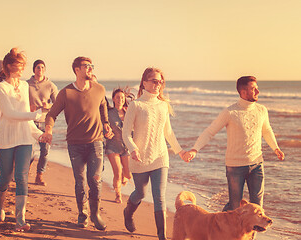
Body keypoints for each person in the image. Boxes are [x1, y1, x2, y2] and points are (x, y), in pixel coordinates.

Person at [184, 76, 285, 212]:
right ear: (243, 92)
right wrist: (194, 149)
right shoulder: (230, 112)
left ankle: (251, 234)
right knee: (234, 206)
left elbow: (266, 130)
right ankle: (218, 226)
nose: (258, 92)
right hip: (235, 166)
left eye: (257, 88)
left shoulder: (262, 110)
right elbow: (210, 131)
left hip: (257, 164)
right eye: (253, 89)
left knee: (257, 207)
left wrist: (276, 148)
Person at [40, 56, 113, 231]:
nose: (90, 69)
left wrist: (106, 124)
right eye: (86, 66)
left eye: (91, 66)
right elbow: (51, 114)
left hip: (96, 142)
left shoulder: (99, 89)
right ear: (76, 70)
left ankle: (95, 214)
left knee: (95, 179)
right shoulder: (66, 93)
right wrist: (48, 131)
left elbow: (103, 105)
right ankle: (82, 213)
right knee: (80, 181)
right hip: (75, 144)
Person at [122, 67, 187, 240]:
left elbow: (169, 132)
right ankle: (128, 213)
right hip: (139, 157)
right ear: (144, 83)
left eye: (160, 81)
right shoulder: (136, 105)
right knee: (140, 193)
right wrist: (133, 149)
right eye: (154, 81)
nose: (158, 84)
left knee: (160, 197)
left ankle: (162, 237)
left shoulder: (163, 105)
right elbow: (126, 133)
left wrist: (180, 151)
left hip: (160, 157)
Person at [0, 48, 42, 232]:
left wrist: (38, 134)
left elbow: (25, 118)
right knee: (6, 176)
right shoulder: (0, 87)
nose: (22, 69)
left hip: (23, 138)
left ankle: (20, 219)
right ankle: (0, 205)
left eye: (23, 65)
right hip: (5, 137)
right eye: (19, 65)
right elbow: (9, 113)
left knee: (21, 177)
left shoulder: (24, 86)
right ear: (8, 66)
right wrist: (35, 115)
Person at [27, 59, 58, 186]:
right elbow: (19, 101)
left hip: (45, 122)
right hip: (30, 121)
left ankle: (39, 175)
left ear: (45, 70)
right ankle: (24, 173)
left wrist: (48, 105)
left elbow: (58, 104)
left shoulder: (50, 85)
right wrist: (29, 107)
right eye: (38, 67)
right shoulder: (26, 84)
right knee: (29, 150)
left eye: (42, 68)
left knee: (45, 150)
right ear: (34, 69)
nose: (40, 70)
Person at [105, 87, 134, 203]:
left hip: (126, 147)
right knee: (117, 172)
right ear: (113, 99)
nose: (120, 99)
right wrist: (105, 133)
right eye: (117, 97)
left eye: (122, 97)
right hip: (112, 147)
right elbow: (103, 125)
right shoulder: (109, 113)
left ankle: (123, 176)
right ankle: (118, 195)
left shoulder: (129, 112)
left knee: (128, 175)